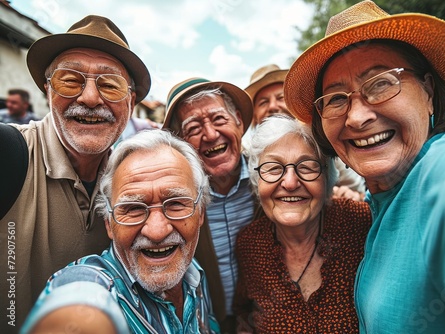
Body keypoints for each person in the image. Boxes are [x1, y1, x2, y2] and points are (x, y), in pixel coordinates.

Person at [283, 1, 445, 333]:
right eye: (337, 98)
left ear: (428, 91)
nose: (357, 117)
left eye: (381, 83)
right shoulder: (378, 205)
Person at [0, 15, 151, 330]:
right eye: (70, 80)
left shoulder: (133, 180)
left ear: (131, 102)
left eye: (110, 84)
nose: (91, 98)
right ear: (47, 90)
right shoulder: (8, 152)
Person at [21, 129, 219, 334]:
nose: (157, 231)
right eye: (133, 208)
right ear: (109, 223)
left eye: (176, 204)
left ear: (201, 212)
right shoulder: (94, 282)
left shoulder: (193, 273)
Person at [233, 115, 371, 333]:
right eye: (274, 168)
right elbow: (244, 318)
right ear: (257, 180)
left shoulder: (361, 223)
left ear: (327, 178)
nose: (289, 183)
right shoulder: (250, 244)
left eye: (307, 167)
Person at [162, 78, 259, 333]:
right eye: (193, 128)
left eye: (219, 120)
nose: (211, 135)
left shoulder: (272, 179)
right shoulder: (173, 202)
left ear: (238, 120)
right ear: (179, 141)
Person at [244, 64, 366, 201]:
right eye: (263, 102)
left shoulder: (326, 146)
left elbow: (359, 194)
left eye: (280, 98)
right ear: (254, 116)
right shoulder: (248, 157)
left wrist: (348, 195)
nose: (272, 106)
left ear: (295, 104)